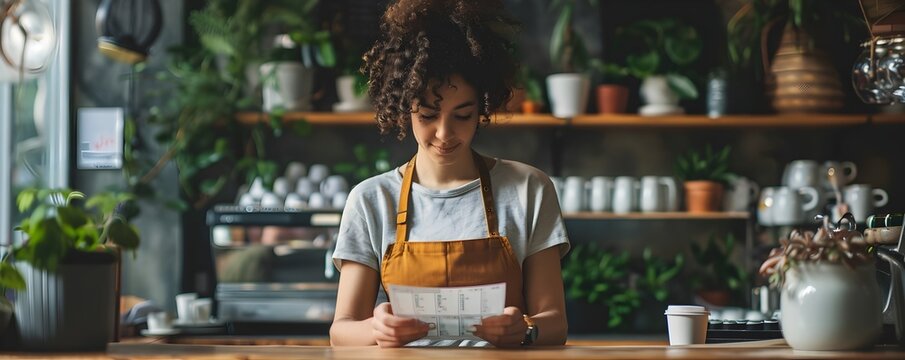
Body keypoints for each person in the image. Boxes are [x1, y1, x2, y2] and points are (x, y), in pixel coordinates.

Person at [329, 0, 570, 348]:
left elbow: (556, 324)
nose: (445, 133)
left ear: (482, 109)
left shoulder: (528, 189)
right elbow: (341, 331)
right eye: (428, 115)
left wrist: (526, 328)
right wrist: (376, 330)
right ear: (403, 108)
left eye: (463, 115)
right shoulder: (371, 200)